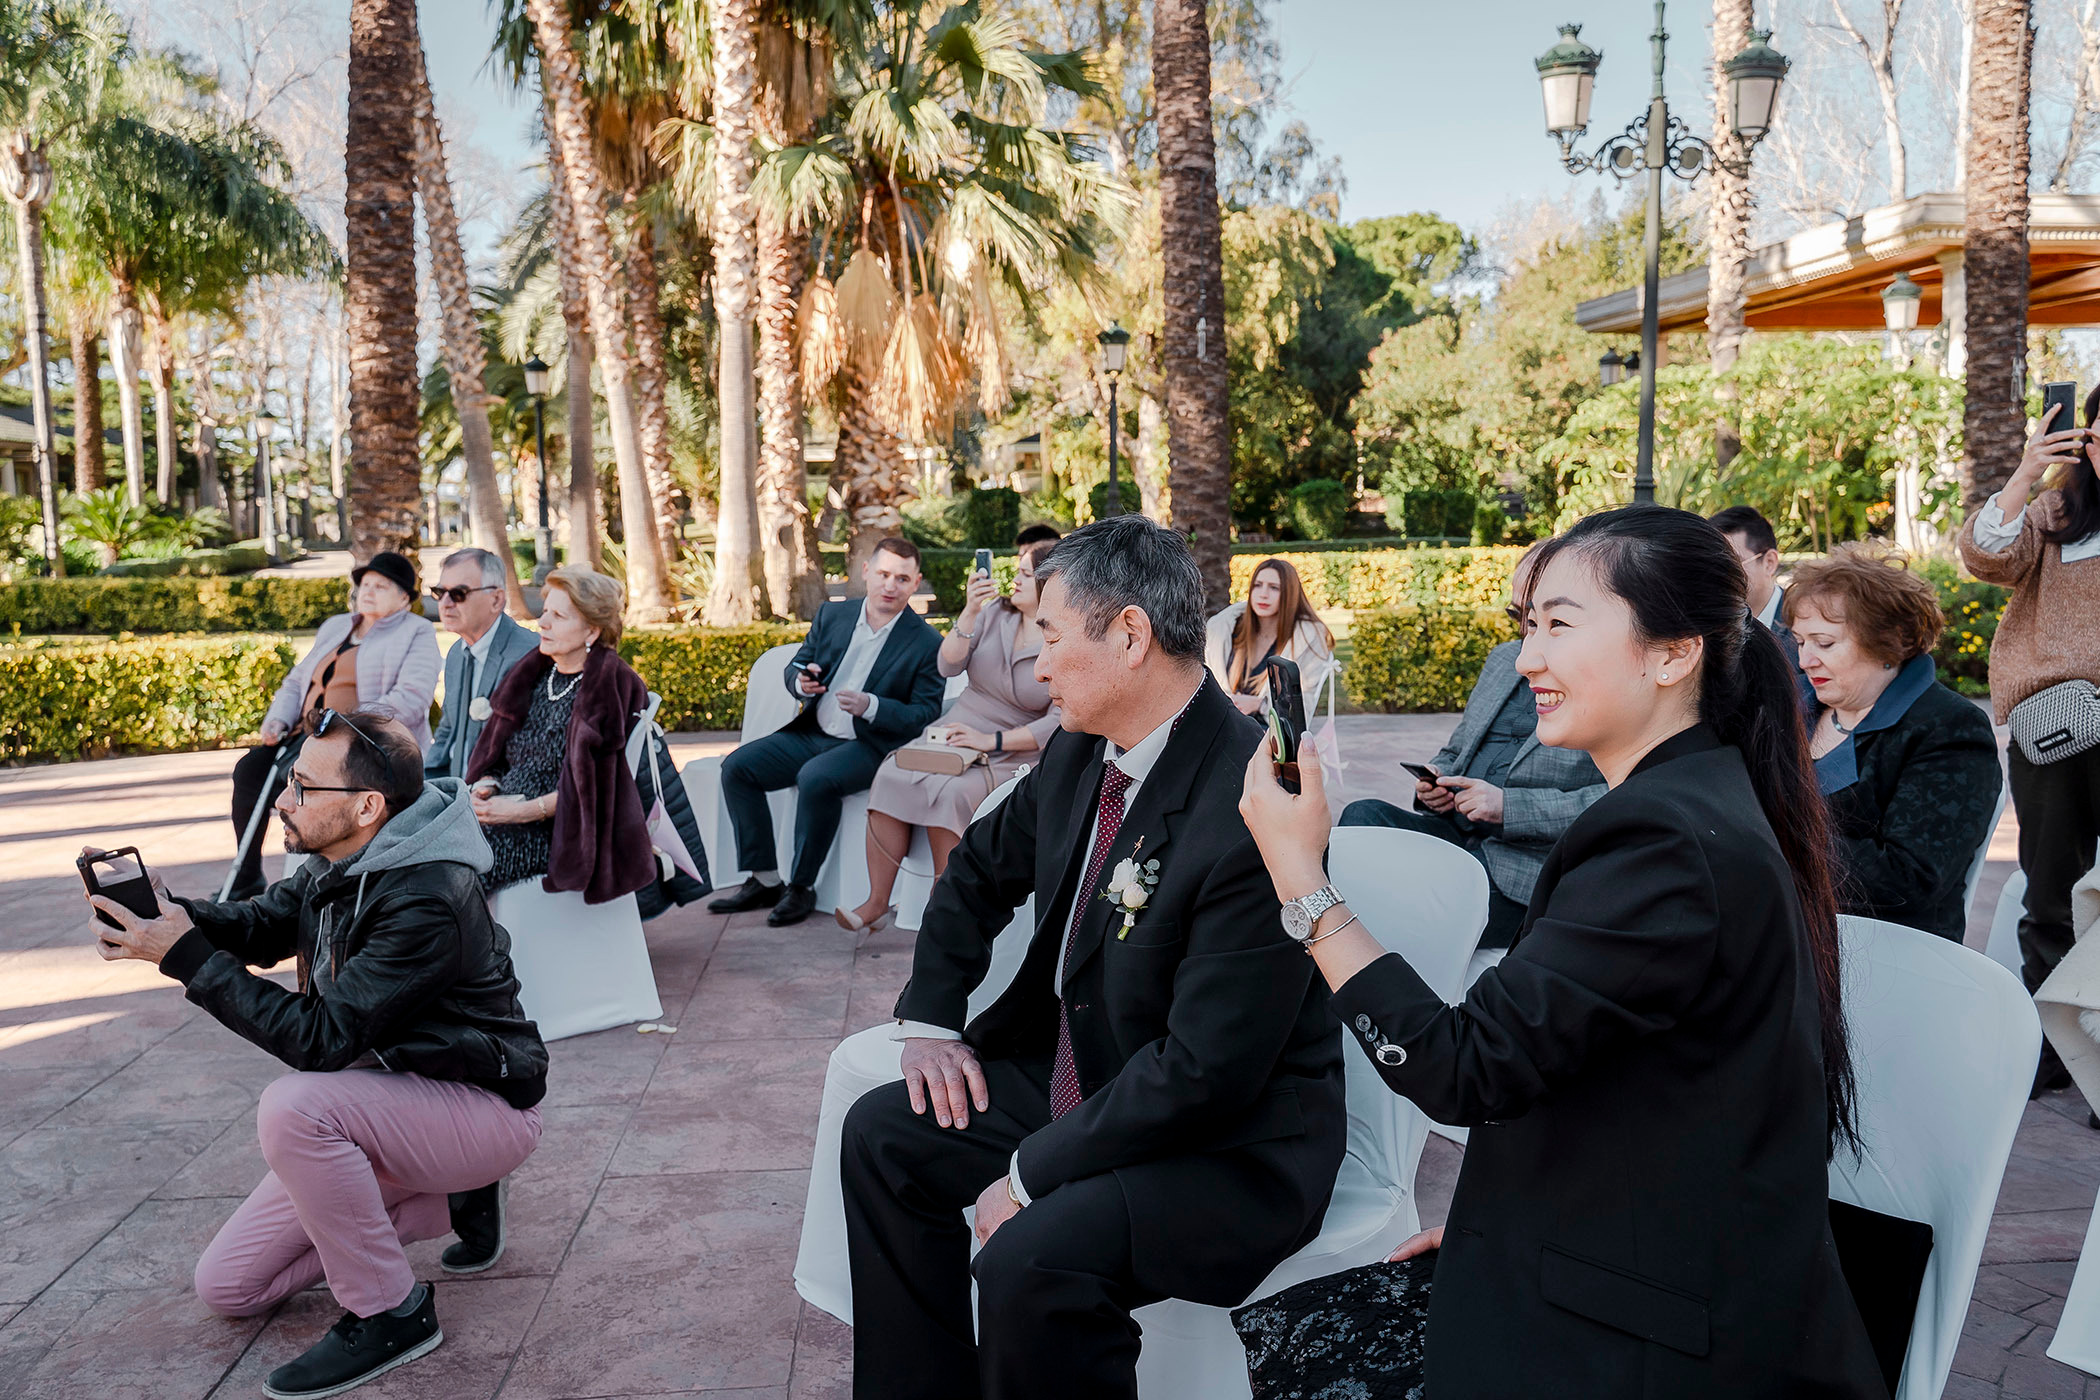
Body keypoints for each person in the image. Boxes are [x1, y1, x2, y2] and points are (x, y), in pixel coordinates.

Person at [1239, 505, 1883, 1398]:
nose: (1527, 659)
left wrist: (1302, 884)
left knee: (1300, 1355)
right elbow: (1626, 1089)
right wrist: (1508, 1222)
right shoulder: (1691, 798)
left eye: (1558, 626)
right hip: (1633, 1256)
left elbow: (1461, 1068)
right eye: (1528, 626)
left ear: (1672, 654)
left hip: (1663, 1337)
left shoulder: (1662, 844)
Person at [839, 516, 1346, 1400]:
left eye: (1050, 636)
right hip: (1093, 1074)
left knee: (1030, 1257)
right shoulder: (1080, 747)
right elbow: (976, 876)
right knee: (883, 1136)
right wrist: (932, 1022)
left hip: (1226, 1141)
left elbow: (1206, 1072)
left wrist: (1027, 1174)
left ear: (1130, 636)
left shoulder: (1252, 803)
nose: (1037, 667)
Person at [83, 710, 548, 1400]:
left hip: (482, 1106)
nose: (282, 799)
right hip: (386, 1103)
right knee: (229, 1287)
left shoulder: (428, 897)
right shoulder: (344, 859)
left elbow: (320, 1041)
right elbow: (263, 924)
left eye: (302, 787)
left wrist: (184, 959)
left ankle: (390, 1312)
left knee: (297, 1109)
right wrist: (170, 914)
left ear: (367, 806)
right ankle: (452, 1201)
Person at [1336, 542, 1604, 961]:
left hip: (1517, 866)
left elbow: (1612, 800)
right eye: (1519, 616)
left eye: (1539, 619)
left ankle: (1351, 966)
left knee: (1386, 900)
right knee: (1363, 818)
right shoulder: (1503, 659)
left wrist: (1507, 807)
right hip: (1455, 831)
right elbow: (1456, 748)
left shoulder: (1597, 679)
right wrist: (1435, 782)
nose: (1524, 635)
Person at [1960, 392, 2100, 1098]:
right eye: (2096, 436)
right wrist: (2025, 473)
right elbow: (1985, 557)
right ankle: (2053, 1046)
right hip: (2060, 725)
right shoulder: (2058, 513)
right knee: (2051, 890)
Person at [709, 538, 946, 927]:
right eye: (884, 574)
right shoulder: (833, 615)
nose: (890, 585)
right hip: (812, 732)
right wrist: (800, 682)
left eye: (902, 579)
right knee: (737, 768)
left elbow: (924, 713)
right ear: (866, 572)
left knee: (815, 778)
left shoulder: (927, 643)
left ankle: (801, 887)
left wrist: (872, 706)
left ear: (916, 582)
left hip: (869, 745)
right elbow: (799, 663)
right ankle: (765, 879)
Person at [836, 537, 1061, 933]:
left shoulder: (1062, 634)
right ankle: (876, 903)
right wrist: (971, 611)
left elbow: (1058, 719)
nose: (1014, 579)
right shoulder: (994, 614)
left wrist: (991, 742)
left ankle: (943, 909)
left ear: (1048, 583)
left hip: (1016, 747)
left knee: (955, 793)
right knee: (891, 773)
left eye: (1025, 575)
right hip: (957, 727)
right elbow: (947, 666)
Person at [1788, 544, 2002, 942]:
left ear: (1888, 642)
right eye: (1800, 642)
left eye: (1824, 643)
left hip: (1886, 950)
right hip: (1786, 931)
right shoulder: (1792, 708)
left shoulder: (1948, 728)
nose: (1805, 660)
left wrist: (1778, 837)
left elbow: (1910, 880)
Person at [229, 550, 440, 901]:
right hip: (305, 735)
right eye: (365, 584)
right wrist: (277, 719)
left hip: (357, 744)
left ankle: (306, 885)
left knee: (297, 785)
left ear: (405, 598)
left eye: (381, 586)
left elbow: (412, 697)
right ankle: (246, 878)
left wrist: (347, 724)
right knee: (250, 771)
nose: (368, 591)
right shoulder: (337, 626)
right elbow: (297, 681)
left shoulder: (416, 631)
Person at [465, 567, 657, 904]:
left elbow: (596, 786)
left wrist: (520, 812)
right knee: (418, 847)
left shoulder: (609, 686)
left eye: (559, 616)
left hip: (559, 832)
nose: (543, 623)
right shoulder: (534, 675)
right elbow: (497, 754)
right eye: (545, 611)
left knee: (455, 867)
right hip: (505, 814)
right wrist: (488, 784)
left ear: (592, 631)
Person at [425, 547, 537, 782]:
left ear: (496, 599)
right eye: (440, 592)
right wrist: (424, 785)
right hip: (455, 789)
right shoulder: (456, 653)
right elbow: (448, 731)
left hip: (499, 792)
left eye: (459, 593)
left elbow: (532, 750)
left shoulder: (528, 656)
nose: (445, 603)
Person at [1712, 504, 1816, 713]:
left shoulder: (1808, 624)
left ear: (1769, 562)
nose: (1719, 574)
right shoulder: (1709, 629)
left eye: (1732, 562)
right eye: (1713, 564)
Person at [1203, 557, 1336, 716]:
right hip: (1223, 723)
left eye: (1274, 588)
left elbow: (1303, 706)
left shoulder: (1306, 638)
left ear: (1289, 594)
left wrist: (1261, 704)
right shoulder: (1225, 629)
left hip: (1268, 729)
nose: (1263, 595)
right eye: (1258, 585)